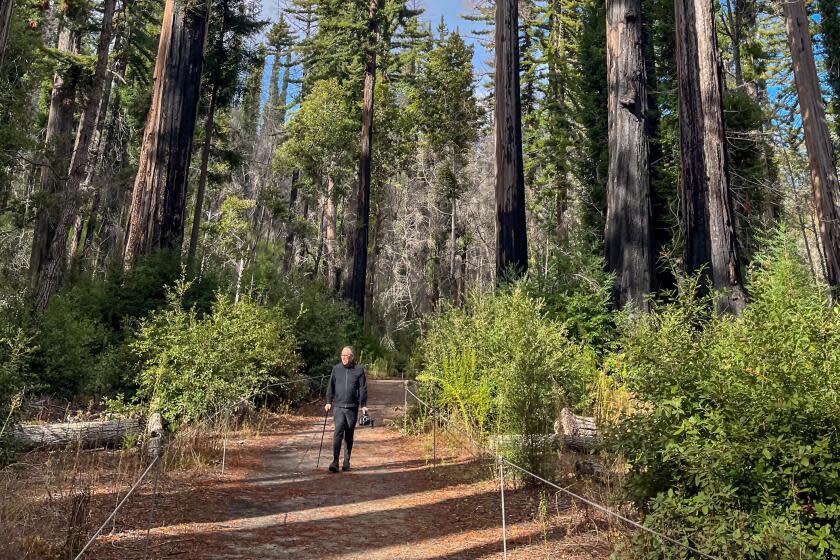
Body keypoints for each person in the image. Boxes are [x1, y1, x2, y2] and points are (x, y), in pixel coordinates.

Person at [324, 346, 368, 472]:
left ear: (351, 357)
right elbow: (330, 386)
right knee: (337, 433)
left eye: (346, 356)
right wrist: (328, 401)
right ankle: (335, 462)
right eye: (342, 356)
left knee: (349, 435)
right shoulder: (336, 369)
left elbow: (362, 388)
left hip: (352, 408)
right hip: (338, 407)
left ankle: (346, 461)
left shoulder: (359, 370)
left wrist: (363, 405)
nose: (343, 358)